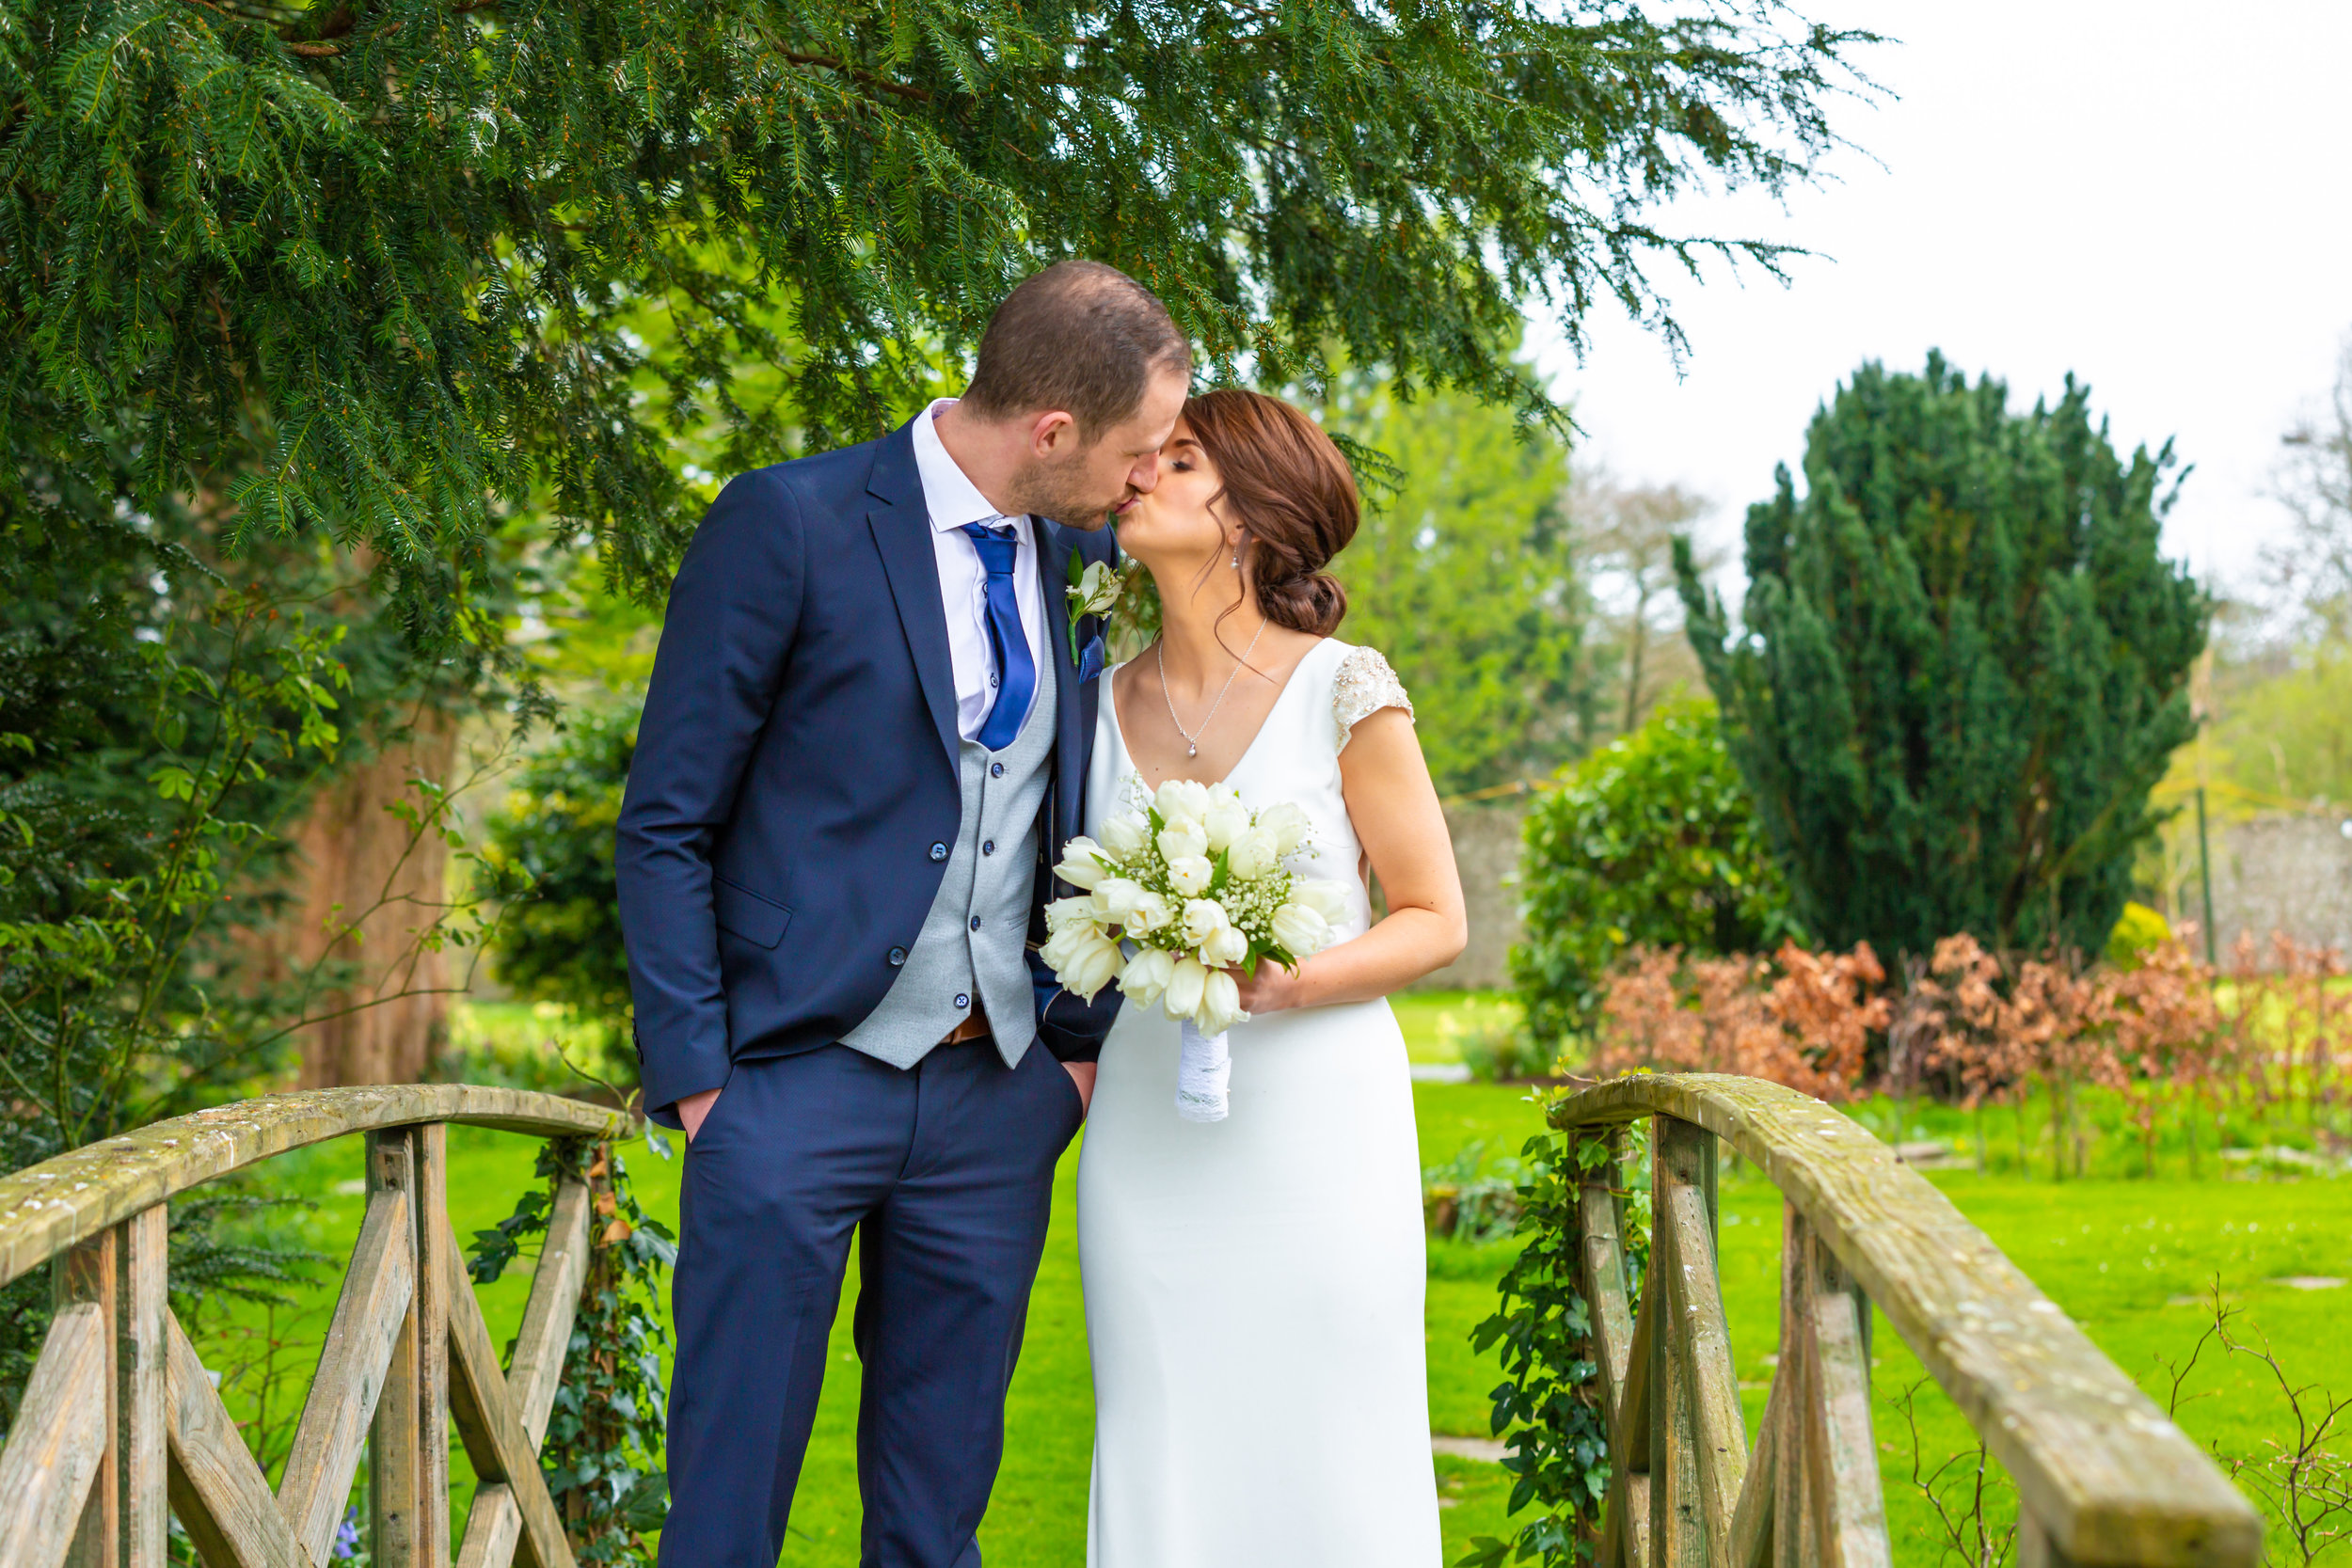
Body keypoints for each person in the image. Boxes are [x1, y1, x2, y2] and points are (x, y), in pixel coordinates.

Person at [614, 260, 1188, 1568]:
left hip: (998, 1099)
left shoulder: (1082, 552)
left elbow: (1078, 808)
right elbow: (665, 820)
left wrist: (1074, 1049)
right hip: (786, 1086)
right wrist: (704, 1078)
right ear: (1052, 432)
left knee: (938, 1516)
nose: (1146, 477)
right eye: (1139, 450)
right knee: (725, 1505)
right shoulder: (790, 521)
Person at [1076, 388, 1468, 1564]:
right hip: (1149, 1135)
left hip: (1320, 1128)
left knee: (1330, 1436)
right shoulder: (1090, 702)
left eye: (1178, 460)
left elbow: (1436, 917)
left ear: (1248, 515)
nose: (1137, 477)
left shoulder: (1344, 686)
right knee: (1159, 1429)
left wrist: (1294, 980)